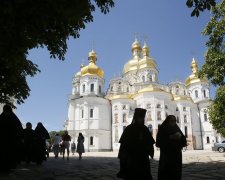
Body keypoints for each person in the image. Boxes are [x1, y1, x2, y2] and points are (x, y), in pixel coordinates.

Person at [117, 108, 155, 180]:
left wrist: (149, 149)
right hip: (131, 158)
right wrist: (123, 158)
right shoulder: (129, 129)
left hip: (143, 158)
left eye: (142, 118)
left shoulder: (145, 129)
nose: (141, 119)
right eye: (139, 118)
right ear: (135, 118)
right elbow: (123, 145)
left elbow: (150, 142)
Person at [156, 115, 187, 180]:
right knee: (166, 174)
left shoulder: (176, 128)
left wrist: (180, 137)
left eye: (175, 121)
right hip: (166, 157)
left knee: (176, 173)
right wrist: (170, 137)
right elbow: (158, 142)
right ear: (168, 121)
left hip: (177, 156)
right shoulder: (162, 128)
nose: (174, 122)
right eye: (172, 121)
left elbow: (184, 141)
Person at [0, 104, 23, 173]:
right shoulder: (1, 117)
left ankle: (8, 168)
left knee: (10, 154)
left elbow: (19, 129)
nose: (6, 113)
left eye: (7, 112)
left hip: (12, 141)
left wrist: (20, 138)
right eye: (5, 111)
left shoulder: (14, 119)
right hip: (2, 140)